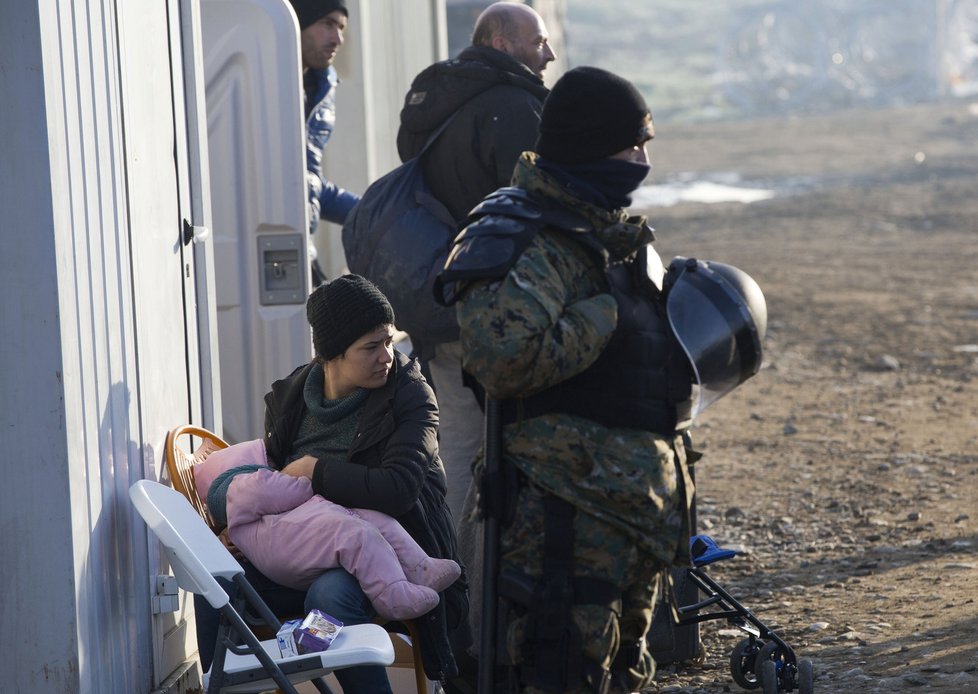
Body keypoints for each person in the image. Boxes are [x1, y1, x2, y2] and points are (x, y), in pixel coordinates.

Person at [437, 67, 696, 693]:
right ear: (586, 145)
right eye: (630, 145)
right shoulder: (523, 236)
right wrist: (610, 309)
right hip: (561, 522)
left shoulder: (606, 233)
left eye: (646, 145)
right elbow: (505, 358)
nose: (641, 161)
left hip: (630, 518)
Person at [196, 275, 469, 694]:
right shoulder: (289, 400)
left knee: (328, 599)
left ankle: (335, 676)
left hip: (388, 557)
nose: (387, 357)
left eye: (389, 341)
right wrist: (234, 526)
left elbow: (399, 489)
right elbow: (269, 481)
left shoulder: (410, 397)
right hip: (297, 549)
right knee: (213, 580)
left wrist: (314, 470)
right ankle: (228, 685)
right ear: (331, 355)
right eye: (371, 347)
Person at [395, 0, 554, 523]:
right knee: (514, 440)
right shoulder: (512, 107)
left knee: (460, 438)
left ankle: (462, 582)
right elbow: (538, 205)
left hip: (434, 292)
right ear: (501, 44)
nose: (549, 54)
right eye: (537, 42)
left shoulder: (436, 100)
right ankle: (486, 580)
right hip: (496, 302)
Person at [193, 437, 461, 621]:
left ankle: (420, 567)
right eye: (268, 466)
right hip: (296, 546)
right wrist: (310, 478)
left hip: (306, 529)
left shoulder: (251, 503)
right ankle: (392, 594)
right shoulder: (244, 487)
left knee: (375, 520)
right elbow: (288, 489)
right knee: (359, 536)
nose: (276, 468)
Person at [289, 0, 360, 284]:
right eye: (327, 24)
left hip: (301, 247)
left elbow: (309, 182)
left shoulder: (321, 89)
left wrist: (369, 212)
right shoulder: (262, 82)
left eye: (341, 28)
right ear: (298, 22)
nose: (338, 39)